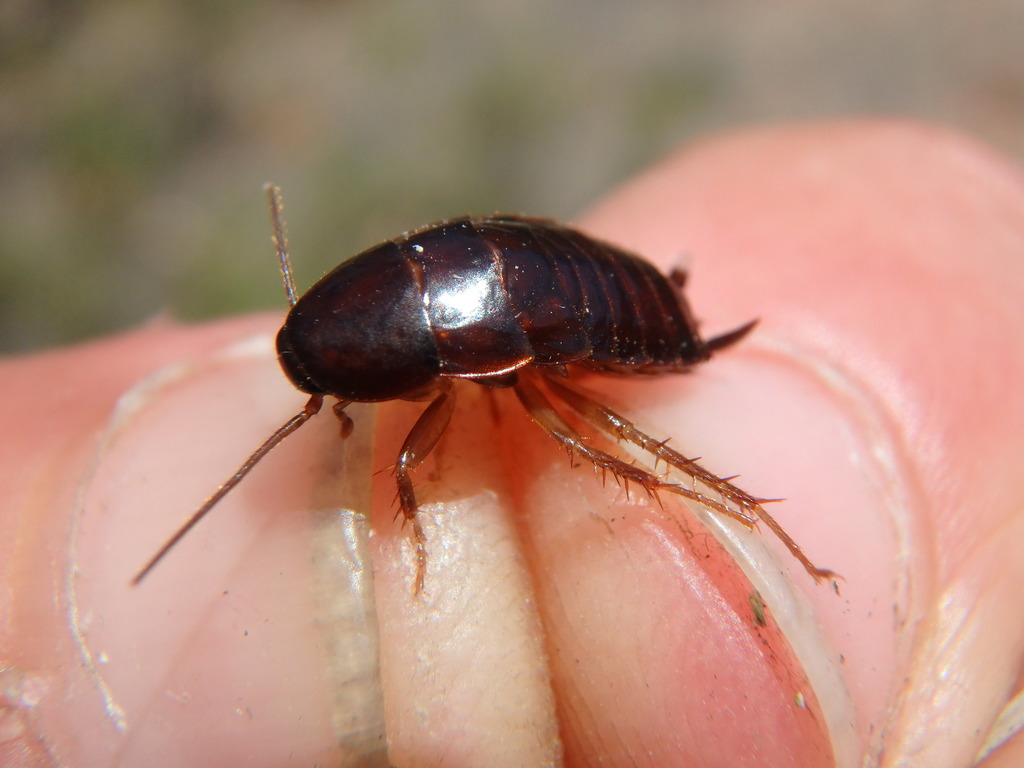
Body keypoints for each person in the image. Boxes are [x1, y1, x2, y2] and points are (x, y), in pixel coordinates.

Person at [2, 121, 1022, 768]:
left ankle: (750, 517)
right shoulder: (436, 324)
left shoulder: (464, 375)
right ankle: (757, 522)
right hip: (544, 282)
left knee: (598, 444)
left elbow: (418, 452)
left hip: (587, 306)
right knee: (566, 446)